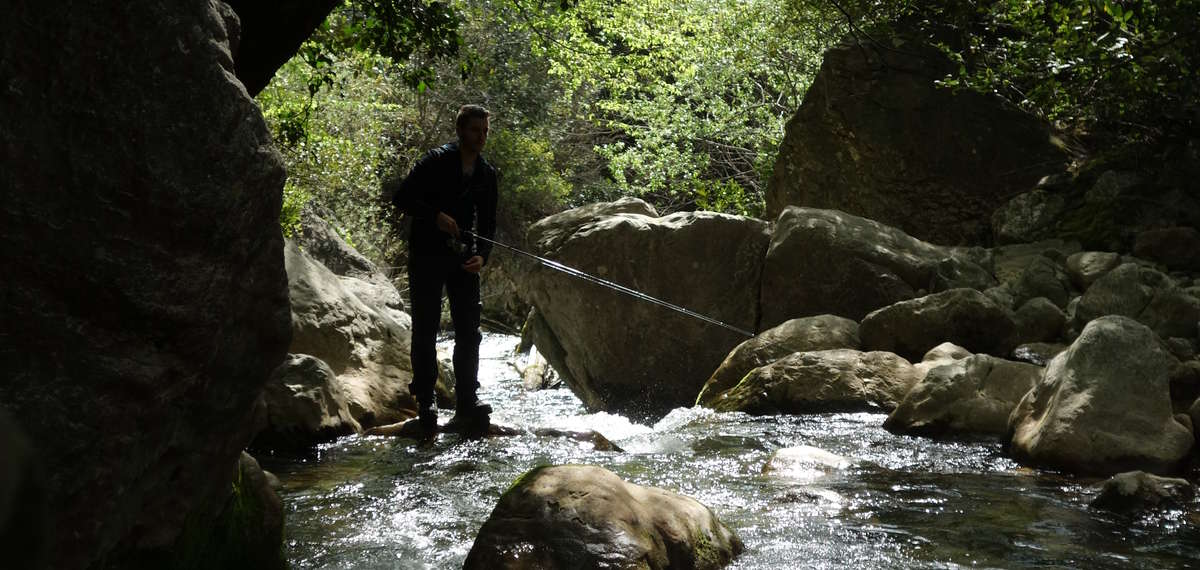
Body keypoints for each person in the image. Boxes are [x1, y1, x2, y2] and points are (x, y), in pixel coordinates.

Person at [388, 104, 498, 438]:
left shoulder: (486, 174)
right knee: (426, 327)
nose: (481, 137)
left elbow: (489, 224)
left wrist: (483, 255)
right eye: (476, 130)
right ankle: (426, 401)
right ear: (461, 130)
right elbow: (402, 198)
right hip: (426, 255)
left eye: (485, 131)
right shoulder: (435, 161)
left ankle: (467, 400)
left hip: (463, 258)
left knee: (470, 331)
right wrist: (435, 215)